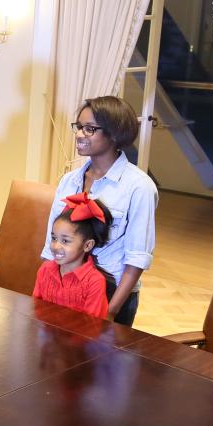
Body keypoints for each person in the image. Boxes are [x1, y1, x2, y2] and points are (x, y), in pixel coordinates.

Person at [42, 95, 157, 326]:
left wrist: (110, 311)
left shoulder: (139, 186)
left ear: (114, 134)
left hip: (110, 294)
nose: (79, 134)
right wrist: (46, 288)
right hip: (65, 287)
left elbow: (136, 258)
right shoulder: (69, 180)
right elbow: (50, 245)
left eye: (89, 129)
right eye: (78, 127)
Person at [34, 192, 112, 319]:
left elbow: (93, 325)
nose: (55, 246)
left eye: (65, 241)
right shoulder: (45, 270)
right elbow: (35, 309)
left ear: (87, 245)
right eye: (54, 238)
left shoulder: (94, 282)